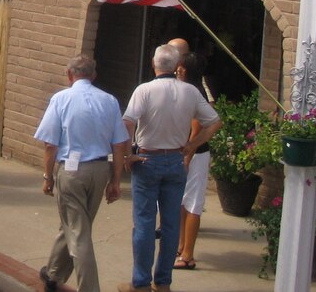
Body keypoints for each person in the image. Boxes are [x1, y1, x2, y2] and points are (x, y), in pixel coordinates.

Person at [118, 44, 222, 292]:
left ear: (154, 64)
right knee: (171, 223)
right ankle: (162, 282)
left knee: (144, 222)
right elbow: (215, 122)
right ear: (177, 67)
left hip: (148, 158)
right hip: (175, 160)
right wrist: (191, 145)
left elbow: (128, 121)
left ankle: (141, 282)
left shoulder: (144, 90)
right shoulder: (190, 92)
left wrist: (128, 154)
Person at [34, 55, 128, 292]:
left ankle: (89, 288)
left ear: (69, 75)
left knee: (78, 233)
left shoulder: (61, 99)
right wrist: (115, 180)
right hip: (99, 170)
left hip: (73, 170)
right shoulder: (109, 101)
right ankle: (54, 273)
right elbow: (119, 145)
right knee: (77, 225)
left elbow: (50, 144)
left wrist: (48, 176)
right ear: (93, 75)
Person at [174, 52, 215, 271]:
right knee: (182, 202)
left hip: (197, 155)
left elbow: (198, 126)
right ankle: (181, 246)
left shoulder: (196, 92)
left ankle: (188, 254)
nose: (178, 70)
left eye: (181, 67)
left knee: (193, 205)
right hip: (187, 154)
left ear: (187, 70)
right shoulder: (188, 90)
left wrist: (187, 155)